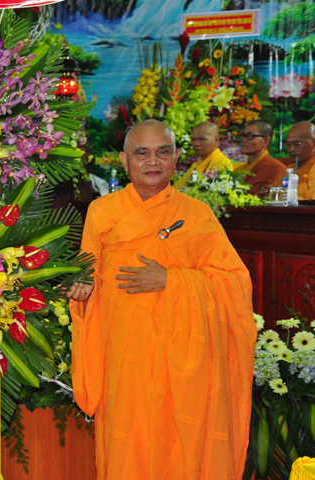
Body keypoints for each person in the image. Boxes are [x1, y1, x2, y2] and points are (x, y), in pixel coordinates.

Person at [67, 119, 257, 480]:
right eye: (142, 153)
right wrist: (82, 290)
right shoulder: (101, 212)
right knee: (129, 450)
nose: (153, 161)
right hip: (125, 358)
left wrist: (172, 279)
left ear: (177, 158)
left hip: (185, 363)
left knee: (180, 449)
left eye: (163, 152)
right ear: (124, 160)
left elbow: (234, 282)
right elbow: (88, 275)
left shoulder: (196, 215)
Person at [172, 120, 234, 189]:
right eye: (193, 139)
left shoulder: (221, 163)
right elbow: (176, 189)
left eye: (202, 139)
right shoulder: (195, 165)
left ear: (216, 140)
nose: (196, 144)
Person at [234, 120, 285, 195]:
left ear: (266, 141)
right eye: (244, 136)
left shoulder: (277, 169)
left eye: (250, 136)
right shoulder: (238, 170)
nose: (243, 140)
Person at [279, 121, 315, 200]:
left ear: (313, 143)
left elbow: (312, 202)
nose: (291, 149)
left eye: (297, 144)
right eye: (288, 144)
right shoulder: (288, 170)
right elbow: (276, 192)